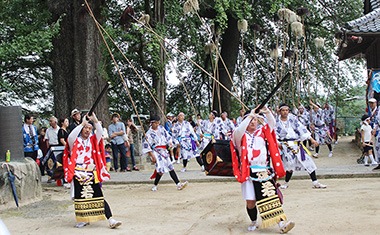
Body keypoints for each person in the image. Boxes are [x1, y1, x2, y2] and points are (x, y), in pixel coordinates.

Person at [231, 106, 295, 233]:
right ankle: (254, 220)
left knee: (270, 197)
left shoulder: (262, 132)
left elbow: (272, 123)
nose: (253, 122)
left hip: (263, 170)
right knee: (251, 201)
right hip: (248, 171)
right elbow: (239, 130)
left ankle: (282, 224)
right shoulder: (239, 135)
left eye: (255, 120)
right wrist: (250, 115)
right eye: (250, 120)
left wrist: (266, 111)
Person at [63, 112, 121, 229]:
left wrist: (95, 120)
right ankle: (83, 219)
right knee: (80, 196)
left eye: (90, 128)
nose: (88, 130)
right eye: (86, 128)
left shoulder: (93, 140)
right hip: (78, 171)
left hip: (90, 171)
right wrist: (81, 124)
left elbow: (99, 133)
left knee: (98, 195)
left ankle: (110, 219)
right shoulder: (75, 141)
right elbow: (70, 137)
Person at [275, 103, 327, 189]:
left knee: (308, 163)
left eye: (287, 110)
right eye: (283, 110)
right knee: (289, 166)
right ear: (280, 111)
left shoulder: (293, 119)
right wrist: (277, 143)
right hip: (285, 146)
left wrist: (311, 140)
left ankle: (315, 182)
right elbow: (274, 134)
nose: (285, 112)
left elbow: (301, 129)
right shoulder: (276, 122)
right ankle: (285, 183)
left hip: (296, 145)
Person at [142, 115, 188, 191]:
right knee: (160, 169)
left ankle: (178, 184)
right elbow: (146, 146)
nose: (157, 124)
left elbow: (168, 137)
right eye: (155, 123)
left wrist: (170, 143)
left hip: (164, 151)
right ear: (151, 123)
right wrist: (152, 155)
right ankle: (155, 185)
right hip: (156, 152)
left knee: (170, 167)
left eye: (158, 123)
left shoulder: (161, 128)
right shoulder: (148, 133)